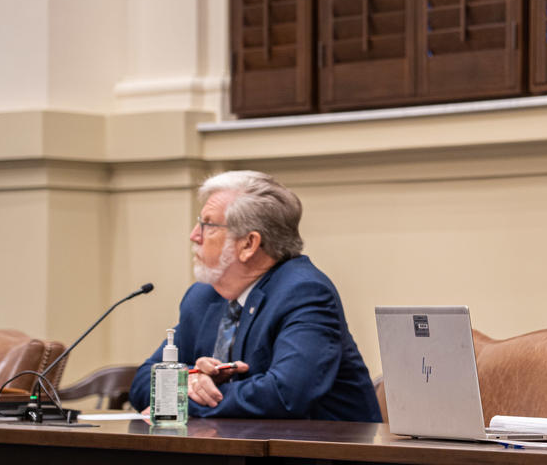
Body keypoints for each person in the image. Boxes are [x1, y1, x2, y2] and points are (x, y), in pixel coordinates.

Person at [129, 171, 381, 421]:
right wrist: (190, 379)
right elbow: (142, 383)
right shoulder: (202, 297)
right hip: (234, 451)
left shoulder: (304, 293)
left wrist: (181, 400)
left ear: (249, 244)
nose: (194, 235)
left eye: (208, 225)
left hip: (323, 455)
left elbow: (285, 394)